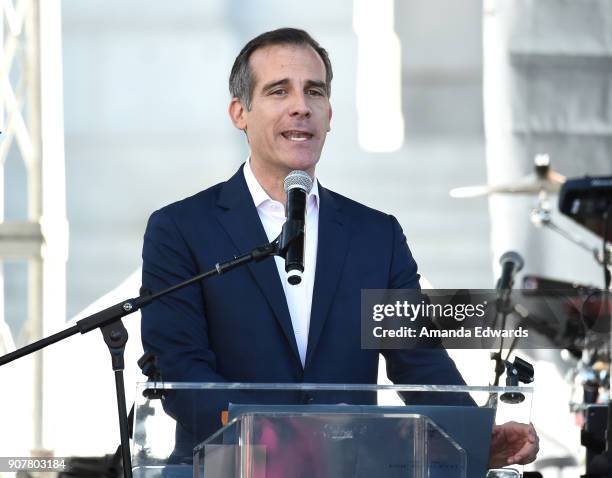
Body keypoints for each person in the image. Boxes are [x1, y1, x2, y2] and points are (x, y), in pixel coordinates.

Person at [140, 27, 538, 468]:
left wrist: (476, 438)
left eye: (315, 92)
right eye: (278, 91)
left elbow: (420, 366)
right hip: (225, 469)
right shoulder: (181, 228)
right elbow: (182, 374)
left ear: (330, 114)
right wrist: (280, 437)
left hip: (350, 469)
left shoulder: (376, 235)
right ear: (240, 113)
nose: (301, 107)